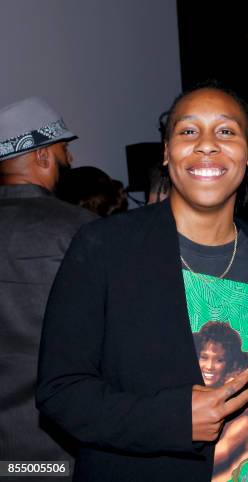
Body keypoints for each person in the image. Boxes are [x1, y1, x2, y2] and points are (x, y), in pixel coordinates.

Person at [37, 82, 248, 482]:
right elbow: (61, 392)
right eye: (188, 131)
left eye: (226, 131)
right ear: (166, 152)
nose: (206, 144)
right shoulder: (105, 247)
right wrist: (174, 419)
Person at [0, 97, 96, 478]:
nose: (70, 160)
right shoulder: (81, 231)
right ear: (41, 156)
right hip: (56, 449)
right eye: (63, 149)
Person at [193, 321, 248, 482]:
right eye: (204, 357)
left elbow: (217, 456)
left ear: (228, 364)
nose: (209, 366)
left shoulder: (241, 419)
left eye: (219, 360)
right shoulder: (195, 393)